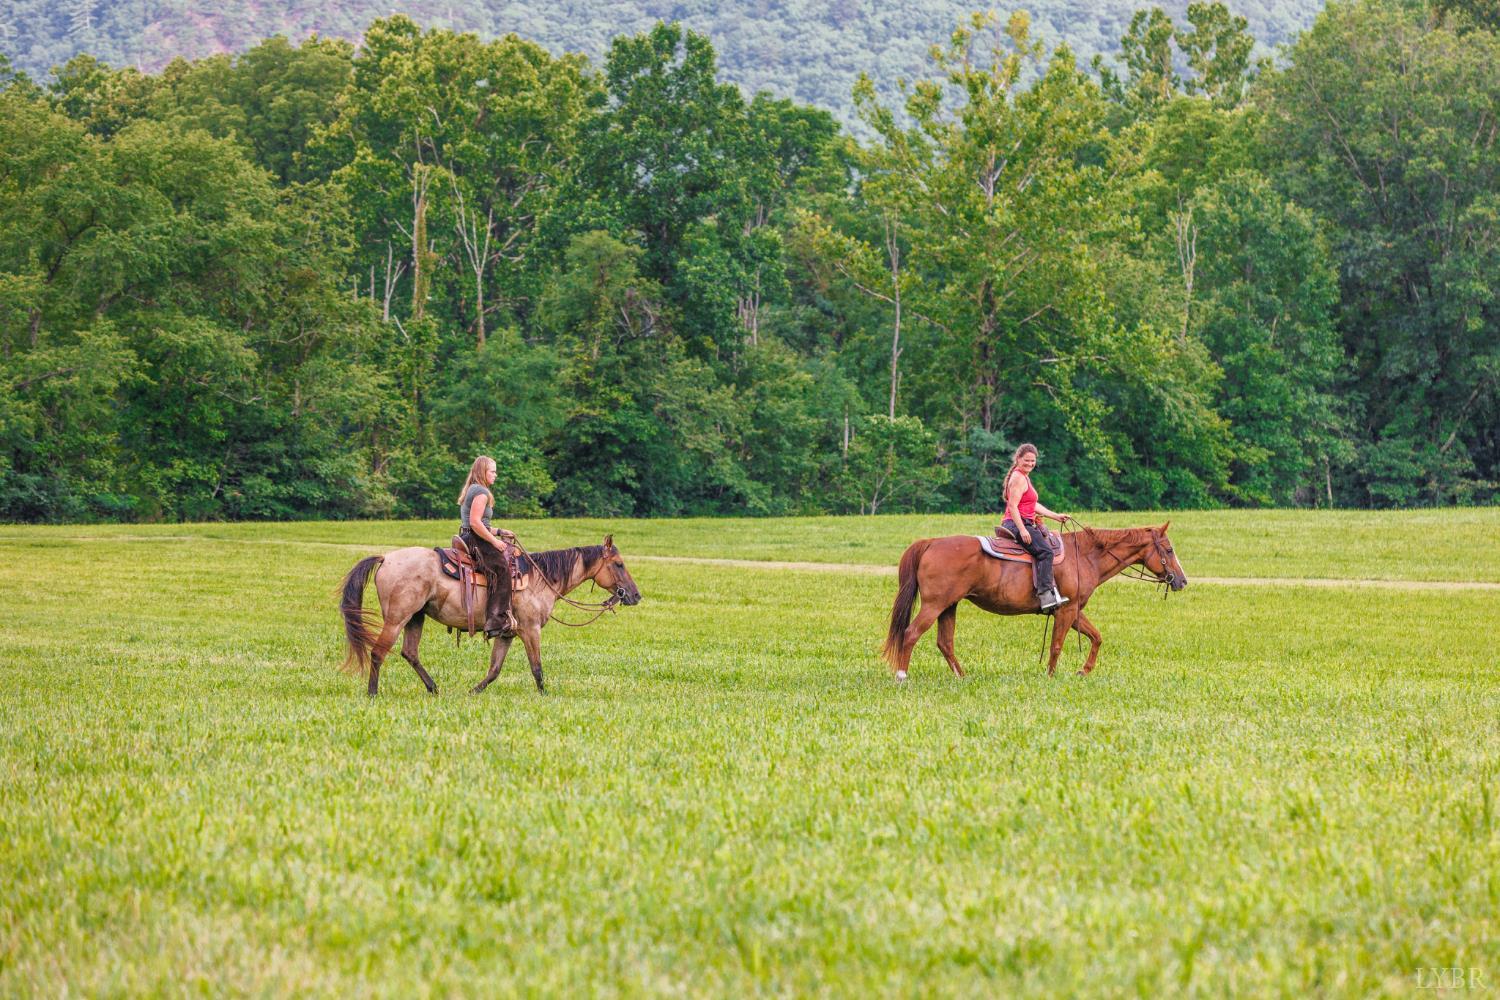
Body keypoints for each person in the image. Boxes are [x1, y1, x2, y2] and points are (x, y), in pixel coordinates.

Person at [999, 443, 1071, 612]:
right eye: (1026, 461)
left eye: (1032, 461)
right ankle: (1046, 595)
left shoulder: (1024, 477)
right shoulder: (1018, 478)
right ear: (1018, 459)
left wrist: (1055, 516)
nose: (1030, 464)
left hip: (1023, 521)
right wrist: (1023, 530)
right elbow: (1012, 506)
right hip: (1017, 523)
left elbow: (1033, 504)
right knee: (1046, 552)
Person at [457, 455, 517, 637]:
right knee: (502, 569)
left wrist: (500, 531)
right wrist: (495, 542)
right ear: (483, 472)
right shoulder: (481, 492)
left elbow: (481, 523)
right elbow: (475, 523)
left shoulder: (474, 489)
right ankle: (495, 621)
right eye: (493, 471)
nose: (495, 475)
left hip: (469, 536)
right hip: (475, 539)